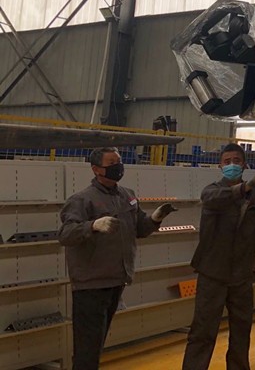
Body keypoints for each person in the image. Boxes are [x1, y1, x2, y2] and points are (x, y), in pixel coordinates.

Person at [182, 143, 255, 370]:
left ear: (244, 164)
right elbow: (217, 198)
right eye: (227, 162)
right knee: (203, 331)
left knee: (241, 329)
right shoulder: (212, 191)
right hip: (213, 273)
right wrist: (248, 186)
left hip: (241, 274)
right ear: (219, 166)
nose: (232, 165)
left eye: (236, 161)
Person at [58, 147, 175, 370]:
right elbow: (65, 235)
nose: (118, 167)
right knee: (87, 348)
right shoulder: (82, 200)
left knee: (97, 344)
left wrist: (155, 218)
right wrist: (92, 225)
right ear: (96, 169)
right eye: (111, 163)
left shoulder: (127, 196)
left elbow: (139, 229)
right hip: (91, 284)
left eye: (119, 161)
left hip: (116, 279)